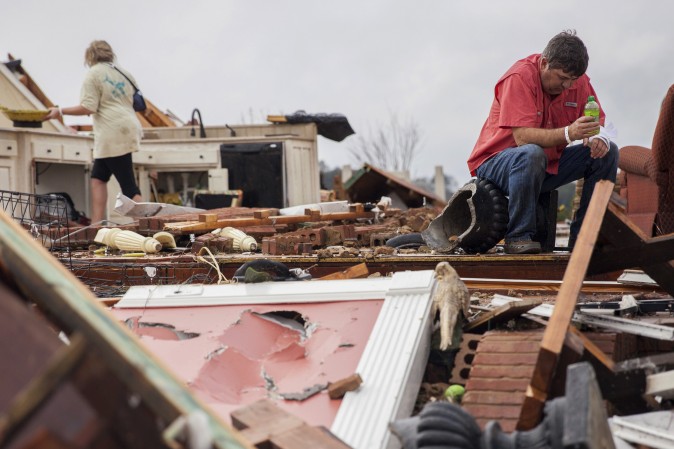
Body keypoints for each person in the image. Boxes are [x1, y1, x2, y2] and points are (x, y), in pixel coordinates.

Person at [466, 30, 618, 254]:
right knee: (531, 153)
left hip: (545, 164)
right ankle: (518, 237)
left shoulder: (579, 82)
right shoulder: (519, 77)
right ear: (544, 63)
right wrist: (569, 133)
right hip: (497, 164)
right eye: (562, 79)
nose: (567, 86)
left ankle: (585, 240)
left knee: (608, 153)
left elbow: (598, 121)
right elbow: (523, 138)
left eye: (572, 81)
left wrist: (598, 137)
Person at [44, 40, 142, 224]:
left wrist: (60, 111)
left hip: (111, 132)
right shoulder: (122, 72)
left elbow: (88, 107)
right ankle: (96, 225)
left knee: (129, 187)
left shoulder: (94, 74)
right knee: (98, 178)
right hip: (127, 127)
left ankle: (147, 224)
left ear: (89, 57)